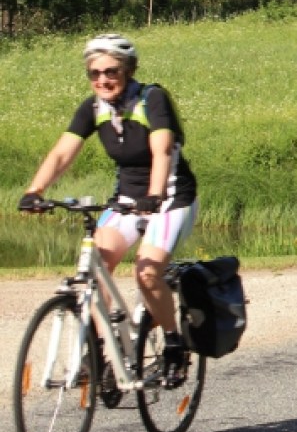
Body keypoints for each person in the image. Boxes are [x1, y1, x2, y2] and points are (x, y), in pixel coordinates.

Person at [19, 34, 199, 382]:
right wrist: (35, 190)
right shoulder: (94, 108)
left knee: (147, 273)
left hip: (171, 197)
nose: (103, 79)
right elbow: (62, 153)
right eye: (95, 73)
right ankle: (102, 352)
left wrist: (155, 195)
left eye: (111, 71)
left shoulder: (152, 99)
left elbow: (161, 151)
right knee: (94, 266)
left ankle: (175, 345)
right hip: (127, 199)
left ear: (129, 70)